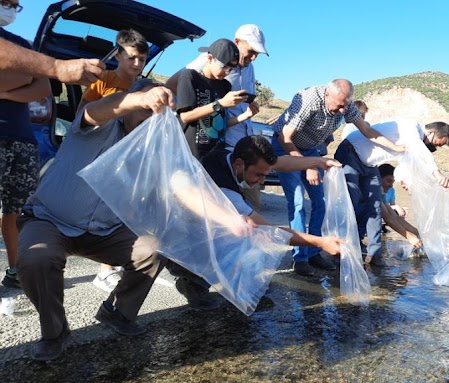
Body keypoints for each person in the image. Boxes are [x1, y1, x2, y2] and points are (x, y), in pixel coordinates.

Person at [16, 78, 175, 362]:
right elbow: (97, 110)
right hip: (49, 220)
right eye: (143, 109)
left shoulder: (148, 151)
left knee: (154, 247)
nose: (147, 118)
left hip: (104, 231)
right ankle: (55, 332)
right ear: (129, 103)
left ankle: (117, 311)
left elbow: (180, 185)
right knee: (36, 259)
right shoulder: (94, 127)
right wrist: (140, 98)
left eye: (154, 115)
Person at [168, 136, 345, 309]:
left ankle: (232, 277)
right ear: (239, 165)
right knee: (244, 236)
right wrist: (321, 242)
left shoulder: (236, 155)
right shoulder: (225, 190)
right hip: (179, 232)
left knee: (245, 235)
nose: (261, 181)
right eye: (258, 175)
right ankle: (192, 281)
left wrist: (319, 162)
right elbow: (270, 230)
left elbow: (282, 162)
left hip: (199, 218)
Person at [270, 79, 404, 276]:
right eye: (339, 105)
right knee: (297, 201)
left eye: (345, 105)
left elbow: (367, 131)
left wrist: (398, 148)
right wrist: (309, 165)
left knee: (320, 202)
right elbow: (285, 137)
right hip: (285, 146)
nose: (342, 111)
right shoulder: (309, 101)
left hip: (311, 150)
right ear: (327, 94)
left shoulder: (346, 106)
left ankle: (314, 252)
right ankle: (300, 258)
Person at [73, 28, 150, 293]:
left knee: (120, 210)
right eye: (132, 58)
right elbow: (82, 113)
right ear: (118, 54)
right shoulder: (103, 80)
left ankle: (106, 270)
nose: (137, 64)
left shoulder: (142, 87)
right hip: (97, 153)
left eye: (142, 59)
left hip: (127, 158)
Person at [166, 24, 268, 210]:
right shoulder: (198, 69)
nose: (253, 57)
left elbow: (221, 118)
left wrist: (245, 115)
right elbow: (176, 89)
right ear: (237, 42)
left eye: (257, 54)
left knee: (244, 207)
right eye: (251, 51)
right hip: (200, 152)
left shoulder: (237, 76)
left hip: (230, 145)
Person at [335, 119, 449, 267]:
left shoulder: (412, 143)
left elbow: (409, 164)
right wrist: (437, 173)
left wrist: (408, 182)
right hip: (350, 152)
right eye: (437, 143)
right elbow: (422, 153)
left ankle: (374, 255)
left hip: (369, 164)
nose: (435, 147)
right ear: (432, 132)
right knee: (349, 204)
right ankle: (339, 250)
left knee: (375, 207)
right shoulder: (411, 128)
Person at [0, 1, 51, 288]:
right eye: (6, 3)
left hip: (23, 138)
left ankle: (15, 271)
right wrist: (22, 77)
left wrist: (5, 89)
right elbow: (28, 77)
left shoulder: (22, 44)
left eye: (15, 6)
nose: (10, 9)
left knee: (16, 210)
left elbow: (42, 86)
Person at [174, 38, 250, 160]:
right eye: (224, 66)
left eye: (230, 69)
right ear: (210, 58)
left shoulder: (225, 85)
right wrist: (219, 104)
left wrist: (245, 116)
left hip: (216, 156)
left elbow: (221, 122)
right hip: (190, 155)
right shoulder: (190, 76)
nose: (227, 72)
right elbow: (185, 117)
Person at [378, 164, 422, 249]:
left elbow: (394, 217)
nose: (391, 185)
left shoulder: (381, 193)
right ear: (379, 179)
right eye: (389, 181)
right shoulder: (373, 192)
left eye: (393, 182)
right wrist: (409, 237)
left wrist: (418, 233)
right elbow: (388, 218)